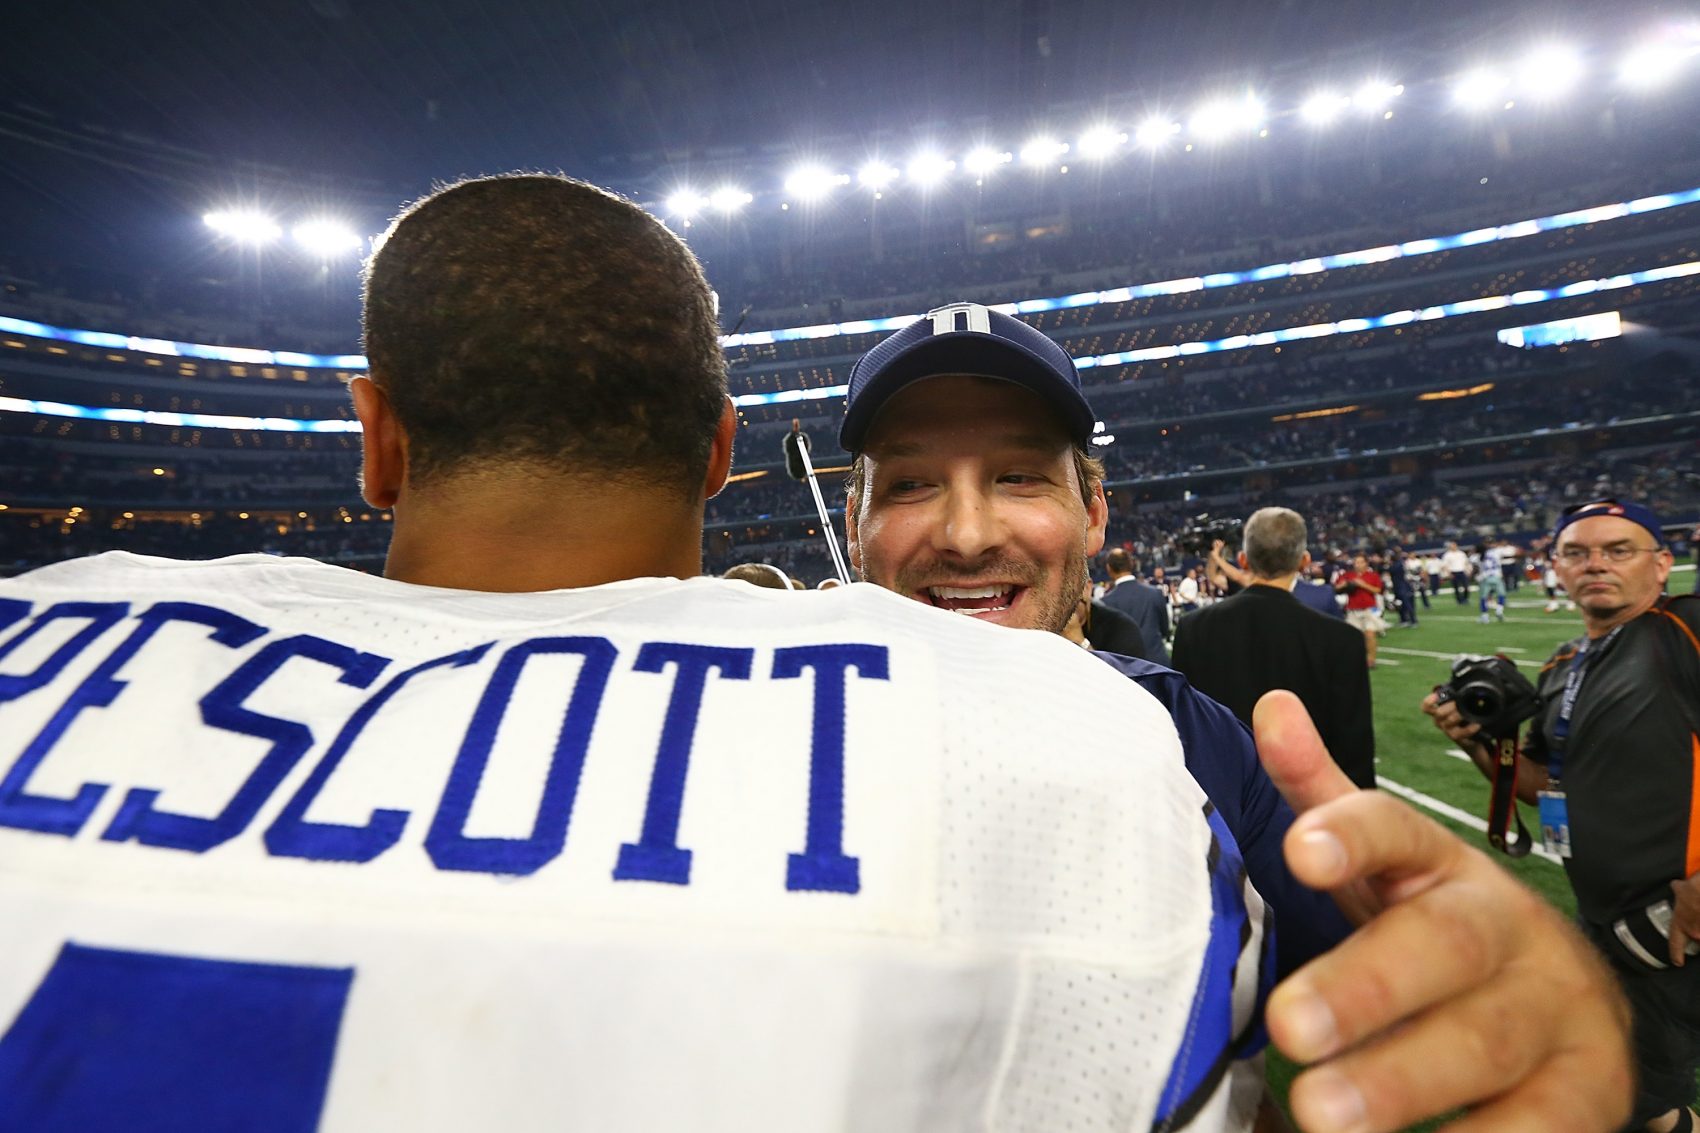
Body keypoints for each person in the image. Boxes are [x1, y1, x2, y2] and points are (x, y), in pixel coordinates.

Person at [0, 177, 1261, 1130]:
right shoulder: (1049, 738)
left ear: (375, 440)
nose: (969, 529)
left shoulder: (46, 622)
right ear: (717, 452)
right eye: (917, 483)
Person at [838, 300, 1631, 1129]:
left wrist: (1502, 982)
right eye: (912, 484)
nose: (966, 535)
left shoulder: (1189, 735)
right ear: (856, 526)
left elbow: (1380, 980)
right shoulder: (759, 746)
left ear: (1096, 513)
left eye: (1019, 475)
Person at [1425, 498, 1698, 1132]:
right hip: (1608, 915)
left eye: (1617, 550)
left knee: (1631, 1092)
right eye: (1577, 553)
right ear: (1555, 568)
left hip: (1676, 920)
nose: (1595, 563)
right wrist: (1473, 740)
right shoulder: (1564, 665)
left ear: (1662, 565)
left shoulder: (1683, 632)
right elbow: (1544, 783)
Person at [1172, 508, 1376, 789]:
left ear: (1243, 560)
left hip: (1230, 801)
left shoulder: (1193, 628)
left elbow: (1188, 731)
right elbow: (1354, 755)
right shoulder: (1342, 639)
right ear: (1304, 561)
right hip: (1309, 805)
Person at [1100, 546, 1171, 662]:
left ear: (1109, 568)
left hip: (1128, 669)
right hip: (1158, 664)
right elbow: (1165, 630)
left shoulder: (1106, 602)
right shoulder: (1155, 593)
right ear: (1132, 564)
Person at [1333, 554, 1385, 668]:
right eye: (1356, 562)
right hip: (1352, 610)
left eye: (1360, 562)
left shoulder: (1373, 575)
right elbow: (1336, 587)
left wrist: (1363, 584)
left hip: (1369, 609)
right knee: (1352, 637)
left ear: (1366, 563)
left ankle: (1371, 660)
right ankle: (1356, 658)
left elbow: (1378, 590)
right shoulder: (1347, 575)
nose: (1358, 564)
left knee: (1370, 634)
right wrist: (1343, 585)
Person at [1476, 539, 1507, 623]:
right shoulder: (1495, 552)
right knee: (1501, 594)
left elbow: (1475, 564)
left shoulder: (1479, 556)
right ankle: (1499, 610)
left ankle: (1485, 616)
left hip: (1485, 578)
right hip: (1496, 576)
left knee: (1483, 598)